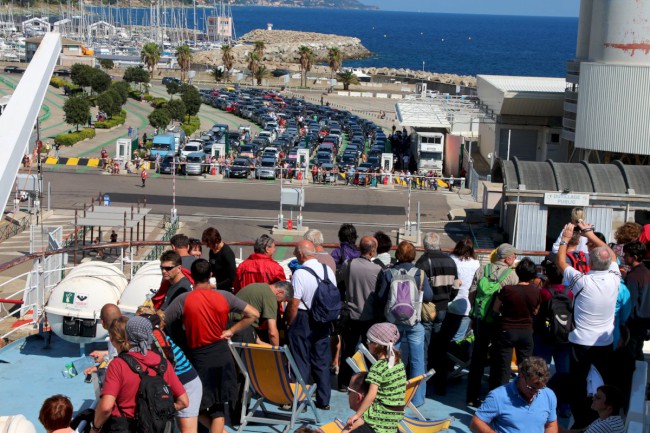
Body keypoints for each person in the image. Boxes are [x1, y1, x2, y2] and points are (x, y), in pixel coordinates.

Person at [164, 259, 260, 433]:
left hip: (199, 359)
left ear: (191, 276)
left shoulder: (183, 300)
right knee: (218, 409)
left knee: (192, 406)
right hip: (222, 356)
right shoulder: (225, 296)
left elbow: (162, 322)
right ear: (211, 275)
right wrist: (231, 330)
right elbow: (253, 313)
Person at [556, 220, 620, 429]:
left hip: (581, 342)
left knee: (578, 382)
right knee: (603, 381)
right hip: (604, 341)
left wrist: (565, 239)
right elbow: (612, 254)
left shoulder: (582, 282)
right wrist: (589, 234)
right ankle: (599, 418)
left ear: (589, 263)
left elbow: (562, 263)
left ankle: (581, 419)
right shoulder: (614, 278)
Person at [92, 316, 189, 433]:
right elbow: (184, 402)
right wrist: (156, 413)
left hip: (125, 426)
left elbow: (106, 407)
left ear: (127, 336)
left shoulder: (118, 365)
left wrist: (95, 428)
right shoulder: (163, 363)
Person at [375, 241, 433, 407]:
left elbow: (380, 297)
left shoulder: (389, 273)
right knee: (417, 361)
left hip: (393, 322)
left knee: (392, 360)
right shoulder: (420, 274)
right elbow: (428, 296)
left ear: (397, 254)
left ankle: (391, 393)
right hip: (414, 322)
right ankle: (417, 398)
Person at [285, 240, 337, 410]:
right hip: (323, 319)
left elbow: (294, 303)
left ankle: (300, 400)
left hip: (303, 318)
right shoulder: (327, 270)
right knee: (321, 360)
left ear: (301, 254)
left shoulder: (300, 273)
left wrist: (289, 322)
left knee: (300, 360)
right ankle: (324, 400)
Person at [467, 243, 520, 407]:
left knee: (478, 357)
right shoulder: (512, 276)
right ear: (509, 258)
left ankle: (472, 395)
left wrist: (477, 312)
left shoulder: (482, 270)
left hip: (479, 319)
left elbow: (472, 294)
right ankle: (492, 397)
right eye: (514, 256)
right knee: (498, 359)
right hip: (499, 321)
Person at [135, 306, 202, 433]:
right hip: (183, 382)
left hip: (187, 384)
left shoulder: (154, 339)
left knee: (187, 430)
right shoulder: (156, 336)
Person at [415, 232, 458, 391]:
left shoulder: (423, 262)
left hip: (427, 308)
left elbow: (417, 288)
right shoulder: (450, 261)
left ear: (425, 246)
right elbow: (455, 287)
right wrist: (447, 298)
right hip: (443, 307)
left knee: (424, 347)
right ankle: (440, 384)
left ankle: (422, 386)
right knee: (440, 346)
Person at [338, 236, 383, 389]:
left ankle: (343, 382)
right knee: (370, 352)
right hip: (369, 317)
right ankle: (369, 383)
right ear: (372, 251)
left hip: (351, 314)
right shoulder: (378, 269)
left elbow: (341, 282)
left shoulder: (348, 264)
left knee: (348, 350)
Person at [489, 258, 541, 388]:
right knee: (525, 368)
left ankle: (501, 397)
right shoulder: (536, 291)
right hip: (526, 331)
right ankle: (523, 393)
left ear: (517, 272)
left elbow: (495, 309)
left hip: (507, 330)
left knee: (503, 368)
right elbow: (535, 311)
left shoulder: (508, 289)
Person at [470, 357, 558, 433]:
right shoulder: (498, 396)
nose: (535, 392)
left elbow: (551, 425)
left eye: (540, 388)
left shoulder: (548, 394)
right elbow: (476, 422)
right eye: (531, 388)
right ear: (522, 376)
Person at [346, 323, 406, 433]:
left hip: (380, 416)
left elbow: (371, 395)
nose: (367, 343)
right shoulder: (398, 362)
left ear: (377, 345)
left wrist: (357, 414)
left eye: (369, 341)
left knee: (348, 428)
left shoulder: (378, 368)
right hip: (395, 415)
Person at [230, 281, 293, 346]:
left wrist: (259, 341)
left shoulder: (257, 286)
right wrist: (277, 351)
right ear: (280, 292)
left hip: (229, 326)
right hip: (241, 332)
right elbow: (272, 332)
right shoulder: (271, 296)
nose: (279, 303)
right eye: (282, 300)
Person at [622, 240, 650, 360]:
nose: (623, 256)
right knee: (638, 354)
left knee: (630, 357)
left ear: (634, 257)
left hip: (633, 324)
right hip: (644, 322)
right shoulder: (647, 273)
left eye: (626, 254)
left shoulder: (633, 276)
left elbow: (629, 302)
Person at [84, 304, 122, 375]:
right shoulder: (124, 334)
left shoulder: (115, 338)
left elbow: (119, 362)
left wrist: (106, 360)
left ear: (102, 322)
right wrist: (104, 354)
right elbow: (117, 353)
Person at [202, 227, 236, 292]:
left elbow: (232, 277)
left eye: (209, 245)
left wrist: (216, 286)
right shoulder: (212, 251)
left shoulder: (227, 253)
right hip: (214, 284)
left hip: (224, 289)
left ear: (215, 242)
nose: (208, 247)